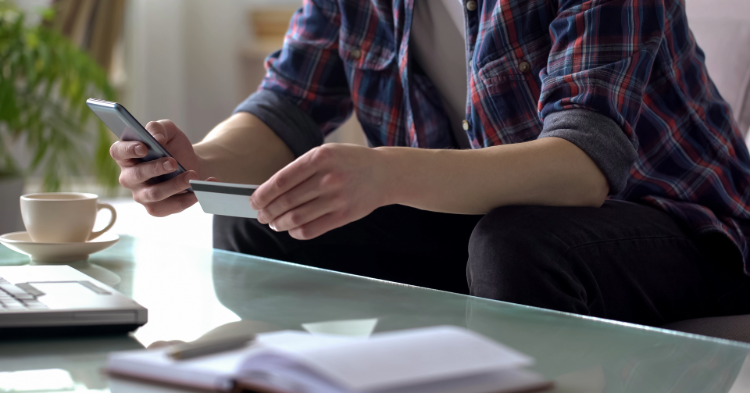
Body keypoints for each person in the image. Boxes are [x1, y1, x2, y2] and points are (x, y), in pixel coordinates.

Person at [109, 0, 750, 327]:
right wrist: (197, 163)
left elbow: (582, 166)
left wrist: (383, 172)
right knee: (258, 218)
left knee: (515, 248)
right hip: (490, 220)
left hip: (683, 226)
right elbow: (285, 106)